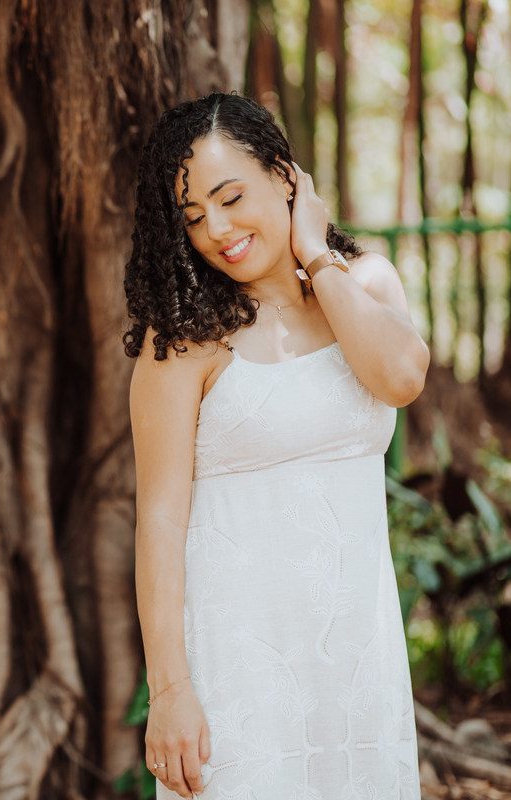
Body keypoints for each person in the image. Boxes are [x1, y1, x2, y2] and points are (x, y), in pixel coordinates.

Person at [124, 92, 429, 799]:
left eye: (231, 198)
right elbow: (159, 521)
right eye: (192, 217)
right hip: (237, 674)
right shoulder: (184, 340)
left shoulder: (365, 282)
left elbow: (401, 378)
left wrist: (316, 256)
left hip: (359, 660)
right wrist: (169, 689)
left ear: (285, 177)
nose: (217, 230)